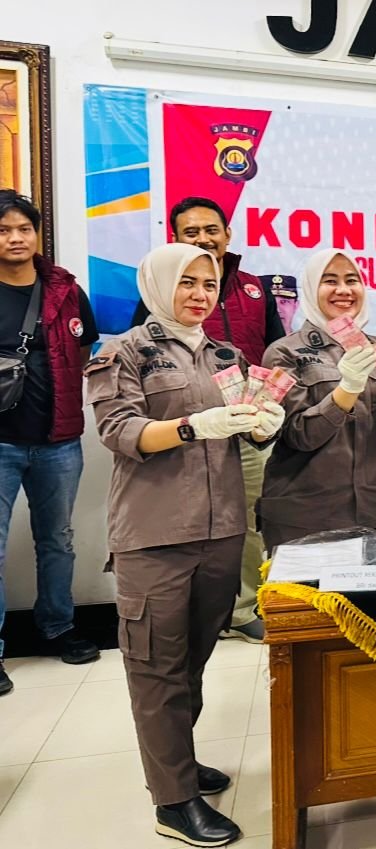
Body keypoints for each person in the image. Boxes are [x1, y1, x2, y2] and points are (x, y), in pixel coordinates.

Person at [88, 243, 284, 847]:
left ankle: (179, 763)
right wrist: (190, 426)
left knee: (192, 663)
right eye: (187, 282)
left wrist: (262, 425)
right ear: (157, 285)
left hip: (222, 532)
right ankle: (173, 802)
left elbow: (243, 429)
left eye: (209, 283)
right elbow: (117, 430)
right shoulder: (124, 351)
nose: (200, 294)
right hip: (155, 536)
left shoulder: (227, 355)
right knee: (157, 672)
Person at [133, 197, 287, 644]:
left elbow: (275, 352)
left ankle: (241, 609)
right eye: (191, 232)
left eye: (211, 230)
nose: (203, 239)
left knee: (250, 520)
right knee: (189, 520)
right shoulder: (160, 291)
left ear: (227, 234)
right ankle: (192, 614)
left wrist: (267, 409)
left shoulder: (254, 288)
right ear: (175, 238)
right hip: (182, 432)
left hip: (247, 427)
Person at [0, 191, 100, 697]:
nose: (15, 238)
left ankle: (58, 628)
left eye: (24, 228)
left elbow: (83, 351)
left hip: (58, 440)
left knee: (57, 540)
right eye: (3, 230)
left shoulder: (65, 289)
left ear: (37, 233)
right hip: (0, 443)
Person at [259, 251, 376, 547]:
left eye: (352, 280)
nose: (344, 290)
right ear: (311, 288)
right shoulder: (283, 352)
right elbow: (298, 435)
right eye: (330, 281)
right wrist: (347, 389)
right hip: (305, 515)